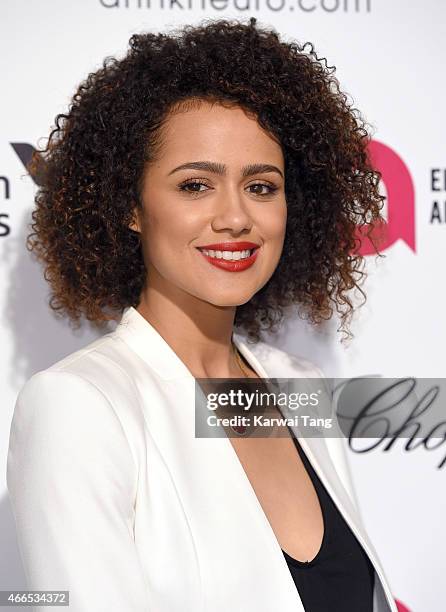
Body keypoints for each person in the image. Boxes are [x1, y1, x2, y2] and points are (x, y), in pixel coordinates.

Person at [6, 16, 397, 612]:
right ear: (130, 206)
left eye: (262, 187)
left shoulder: (299, 385)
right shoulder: (78, 405)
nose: (236, 217)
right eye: (195, 185)